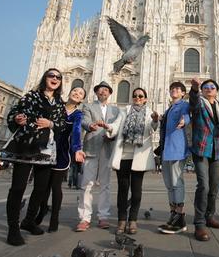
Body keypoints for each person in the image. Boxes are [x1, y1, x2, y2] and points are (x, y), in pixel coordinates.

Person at [3, 68, 66, 246]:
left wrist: (51, 123)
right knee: (18, 188)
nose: (54, 79)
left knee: (41, 189)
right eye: (51, 76)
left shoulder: (59, 103)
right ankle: (13, 229)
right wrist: (18, 119)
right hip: (27, 146)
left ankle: (29, 220)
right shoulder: (30, 96)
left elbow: (61, 124)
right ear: (44, 78)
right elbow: (14, 113)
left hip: (46, 150)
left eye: (58, 77)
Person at [36, 85, 86, 232]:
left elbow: (76, 132)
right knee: (43, 186)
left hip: (62, 152)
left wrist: (77, 149)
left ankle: (54, 218)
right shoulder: (57, 106)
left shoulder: (78, 114)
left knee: (56, 187)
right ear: (69, 93)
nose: (77, 93)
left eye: (80, 93)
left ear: (82, 99)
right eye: (75, 91)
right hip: (46, 148)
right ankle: (42, 210)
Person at [76, 81, 123, 232]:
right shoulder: (88, 106)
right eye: (100, 90)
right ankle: (85, 218)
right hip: (92, 147)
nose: (103, 92)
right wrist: (90, 126)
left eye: (106, 90)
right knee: (87, 184)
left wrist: (111, 134)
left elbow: (117, 127)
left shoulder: (115, 110)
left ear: (110, 93)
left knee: (105, 184)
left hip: (107, 148)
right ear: (96, 93)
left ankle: (103, 216)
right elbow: (84, 121)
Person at [111, 87, 159, 234]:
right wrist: (107, 127)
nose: (138, 98)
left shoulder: (149, 111)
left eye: (141, 96)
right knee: (123, 189)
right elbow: (116, 125)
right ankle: (121, 221)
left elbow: (153, 127)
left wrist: (156, 120)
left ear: (145, 98)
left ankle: (133, 220)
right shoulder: (124, 110)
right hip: (124, 155)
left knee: (136, 192)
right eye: (135, 96)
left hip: (139, 156)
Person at [189, 78, 219, 241]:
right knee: (203, 186)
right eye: (206, 87)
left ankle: (209, 216)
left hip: (217, 150)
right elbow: (193, 103)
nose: (209, 89)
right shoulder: (200, 104)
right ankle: (199, 224)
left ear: (216, 91)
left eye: (212, 87)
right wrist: (194, 90)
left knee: (214, 187)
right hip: (201, 148)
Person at [158, 81, 190, 235]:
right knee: (169, 183)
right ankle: (173, 214)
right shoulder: (169, 108)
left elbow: (187, 115)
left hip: (177, 148)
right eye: (172, 89)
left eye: (177, 89)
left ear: (183, 93)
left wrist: (185, 121)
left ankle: (179, 214)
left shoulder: (183, 105)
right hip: (166, 149)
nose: (174, 91)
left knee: (177, 181)